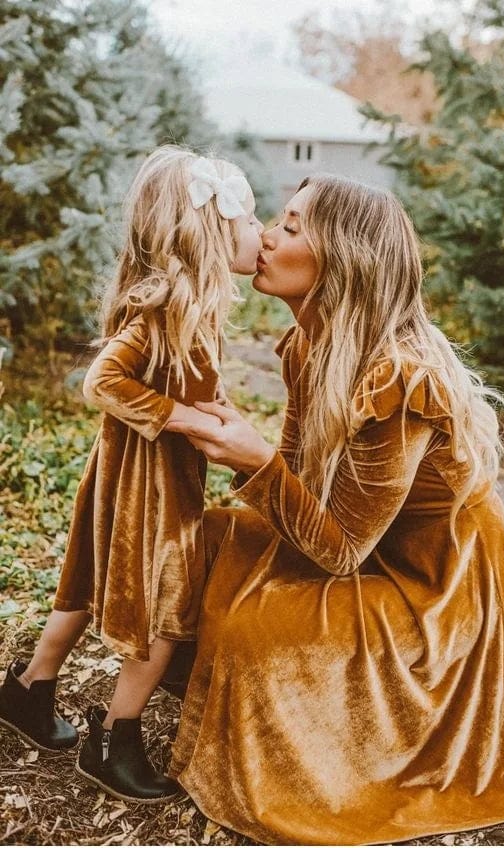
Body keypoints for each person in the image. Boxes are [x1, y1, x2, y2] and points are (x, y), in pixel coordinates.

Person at [164, 173, 504, 845]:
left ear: (343, 261)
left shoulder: (396, 376)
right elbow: (302, 479)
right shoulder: (309, 345)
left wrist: (254, 462)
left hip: (436, 587)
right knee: (206, 538)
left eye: (290, 228)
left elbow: (340, 548)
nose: (265, 236)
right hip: (367, 547)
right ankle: (201, 686)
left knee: (252, 635)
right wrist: (245, 445)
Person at [0, 146, 263, 803]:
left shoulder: (182, 306)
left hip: (123, 476)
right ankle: (114, 740)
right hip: (152, 493)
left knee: (82, 588)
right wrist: (190, 422)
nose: (259, 234)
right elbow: (103, 381)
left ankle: (28, 690)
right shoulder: (166, 308)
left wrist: (217, 418)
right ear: (209, 232)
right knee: (169, 616)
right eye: (249, 221)